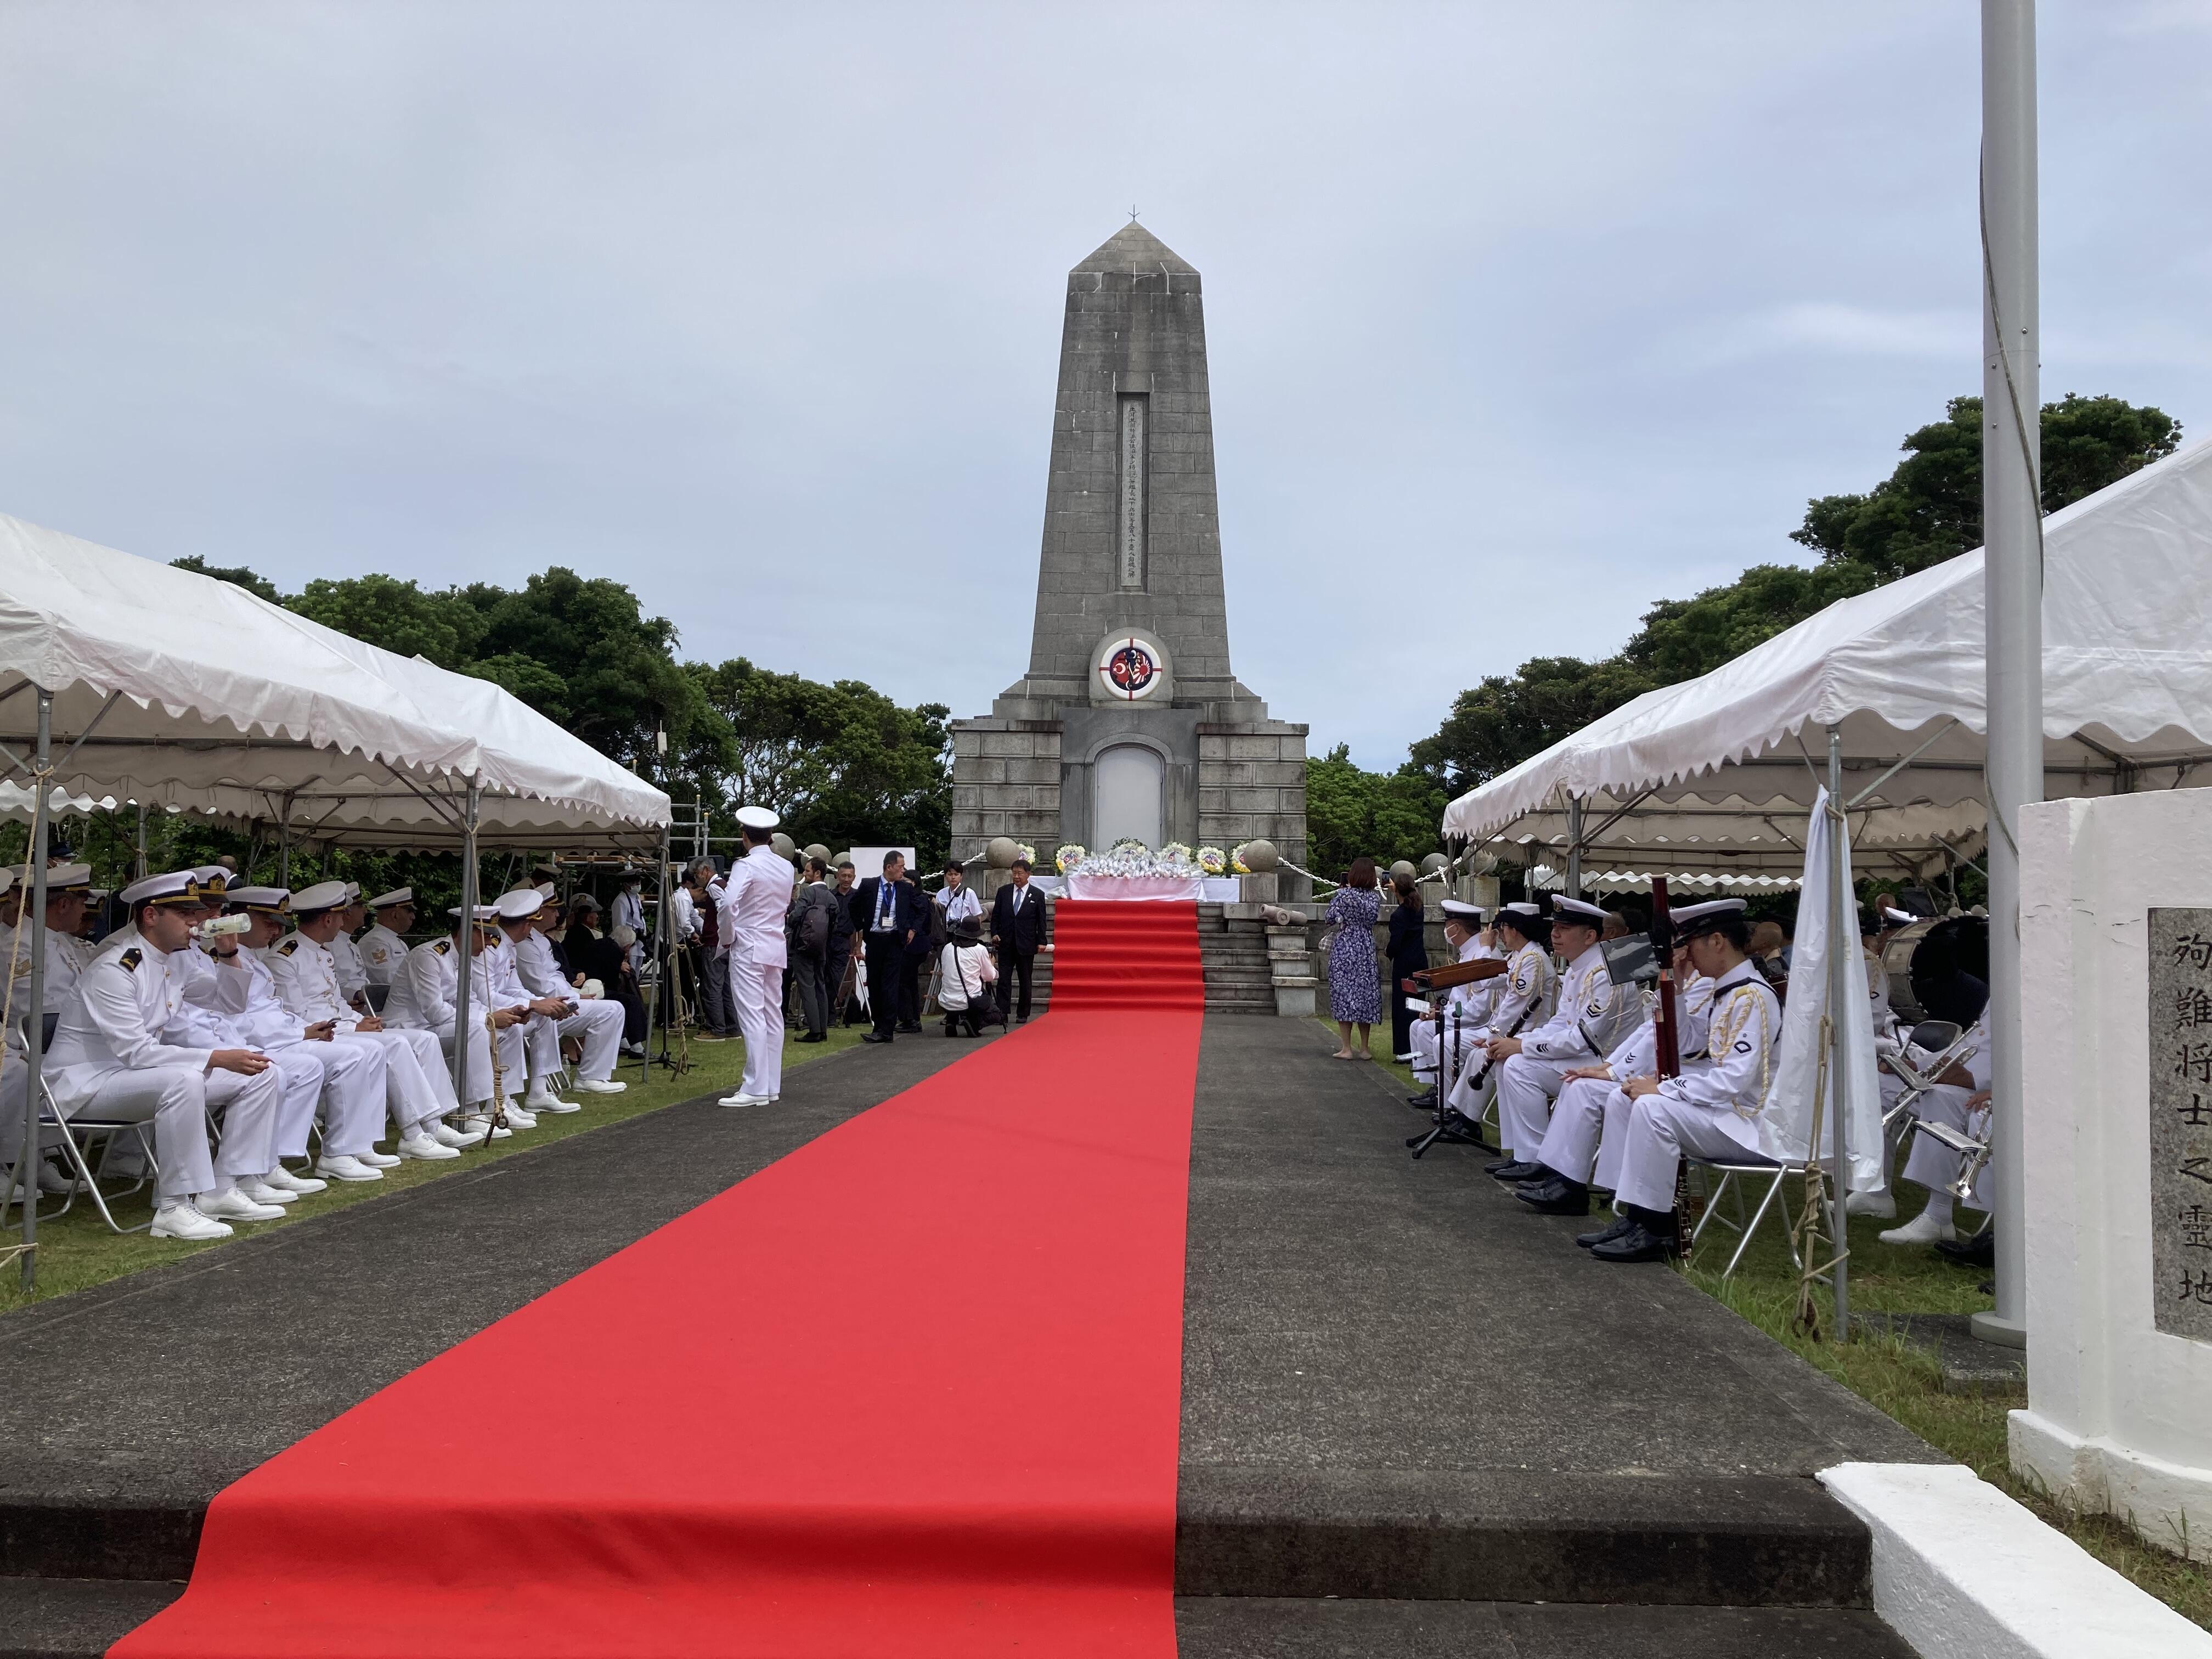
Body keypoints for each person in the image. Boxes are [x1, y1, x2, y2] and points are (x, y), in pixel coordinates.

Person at [43, 870, 289, 1242]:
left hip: (131, 1077)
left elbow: (230, 1002)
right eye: (185, 914)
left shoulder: (177, 960)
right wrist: (216, 1058)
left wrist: (229, 952)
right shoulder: (116, 968)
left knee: (262, 1072)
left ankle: (223, 1187)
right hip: (85, 1085)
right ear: (151, 916)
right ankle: (173, 1208)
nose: (196, 922)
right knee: (184, 1080)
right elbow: (136, 1052)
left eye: (195, 913)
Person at [1583, 898, 1785, 1263]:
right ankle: (1632, 1213)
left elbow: (1735, 1080)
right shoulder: (1728, 991)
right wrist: (1675, 988)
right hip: (1725, 1112)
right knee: (1624, 1098)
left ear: (1717, 941)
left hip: (1749, 1123)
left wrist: (1662, 1089)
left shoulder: (1751, 996)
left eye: (1690, 944)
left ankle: (1656, 1227)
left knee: (1653, 1108)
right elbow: (1686, 1041)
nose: (1686, 955)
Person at [1515, 918, 1724, 1220]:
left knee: (1600, 1092)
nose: (1670, 951)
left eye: (1678, 943)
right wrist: (1611, 1067)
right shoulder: (1687, 981)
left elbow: (1676, 1041)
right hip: (1658, 1068)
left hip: (1689, 1075)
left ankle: (1615, 1198)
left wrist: (1612, 1071)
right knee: (1581, 1086)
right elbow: (1650, 1030)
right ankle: (1569, 1180)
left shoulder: (1705, 984)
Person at [266, 881, 479, 1166]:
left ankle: (433, 1123)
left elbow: (335, 1003)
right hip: (319, 1036)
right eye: (340, 916)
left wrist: (360, 1020)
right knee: (395, 1044)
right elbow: (298, 1015)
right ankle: (413, 1134)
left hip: (340, 1028)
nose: (343, 922)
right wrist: (352, 1027)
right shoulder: (285, 957)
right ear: (328, 919)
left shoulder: (322, 951)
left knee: (424, 1039)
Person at [213, 885, 386, 1197]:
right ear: (242, 919)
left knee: (355, 1054)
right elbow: (244, 1021)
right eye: (268, 922)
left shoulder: (253, 959)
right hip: (256, 1044)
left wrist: (306, 1029)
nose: (276, 930)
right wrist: (302, 1032)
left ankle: (339, 1149)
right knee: (342, 1058)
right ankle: (305, 1157)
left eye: (277, 923)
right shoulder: (227, 960)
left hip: (278, 1037)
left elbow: (274, 1010)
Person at [1486, 896, 1647, 1183]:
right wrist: (1518, 1042)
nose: (1555, 934)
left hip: (1608, 1063)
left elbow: (1581, 1039)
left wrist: (1522, 1045)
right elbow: (1561, 1022)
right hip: (1589, 1055)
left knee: (1519, 1066)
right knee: (1509, 1060)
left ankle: (1537, 1159)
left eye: (1565, 929)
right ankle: (1525, 1154)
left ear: (1590, 936)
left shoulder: (1603, 973)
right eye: (1554, 927)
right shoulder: (1578, 968)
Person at [385, 902, 533, 1135]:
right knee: (475, 1030)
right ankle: (471, 1112)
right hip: (412, 1026)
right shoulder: (429, 956)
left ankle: (500, 1102)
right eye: (486, 936)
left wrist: (505, 1014)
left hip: (440, 1028)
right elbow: (434, 1011)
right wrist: (489, 1017)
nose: (489, 943)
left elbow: (470, 1001)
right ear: (467, 931)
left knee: (510, 1029)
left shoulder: (464, 958)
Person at [1440, 901, 1555, 1130]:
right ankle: (1463, 1116)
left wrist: (1493, 1038)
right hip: (1509, 1031)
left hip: (1526, 1033)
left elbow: (1515, 1007)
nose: (1499, 934)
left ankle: (1468, 1122)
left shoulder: (1532, 960)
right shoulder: (1518, 957)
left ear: (1515, 929)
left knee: (1482, 1055)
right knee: (1477, 1054)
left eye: (1502, 928)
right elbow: (1488, 981)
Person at [506, 888, 629, 1095]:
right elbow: (540, 986)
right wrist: (575, 997)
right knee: (611, 1010)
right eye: (553, 910)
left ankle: (592, 1076)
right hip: (544, 1005)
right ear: (539, 913)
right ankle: (586, 1078)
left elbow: (555, 976)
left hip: (555, 1001)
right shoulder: (525, 945)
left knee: (615, 1008)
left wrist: (575, 994)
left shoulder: (540, 940)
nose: (557, 914)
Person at [717, 805, 791, 1107]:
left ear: (744, 836)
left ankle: (756, 1087)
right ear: (771, 836)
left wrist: (727, 938)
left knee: (752, 1016)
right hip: (774, 944)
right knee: (772, 1014)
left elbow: (727, 904)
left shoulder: (745, 866)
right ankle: (770, 1085)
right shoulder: (786, 867)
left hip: (749, 945)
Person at [1406, 900, 1497, 1109]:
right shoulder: (1468, 953)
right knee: (1417, 1026)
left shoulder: (1482, 956)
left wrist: (1441, 1016)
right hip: (1463, 1017)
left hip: (1477, 1024)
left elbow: (1480, 1009)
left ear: (1457, 928)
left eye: (1447, 924)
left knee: (1428, 1030)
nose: (1445, 930)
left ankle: (1446, 1097)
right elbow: (1459, 999)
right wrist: (1439, 1010)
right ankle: (1436, 1086)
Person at [851, 852, 927, 1044]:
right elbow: (853, 905)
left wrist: (912, 929)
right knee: (874, 983)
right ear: (889, 867)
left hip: (894, 940)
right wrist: (861, 926)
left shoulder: (905, 889)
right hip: (875, 940)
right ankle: (878, 1027)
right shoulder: (869, 885)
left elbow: (922, 909)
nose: (903, 870)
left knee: (890, 985)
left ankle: (887, 1029)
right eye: (900, 867)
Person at [1325, 857, 1384, 1059]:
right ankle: (1365, 1048)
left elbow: (1329, 918)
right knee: (1365, 995)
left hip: (1346, 945)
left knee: (1344, 994)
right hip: (1366, 946)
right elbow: (1372, 919)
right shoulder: (1375, 898)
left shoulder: (1344, 895)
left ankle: (1347, 1048)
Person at [786, 856, 838, 1044]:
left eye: (807, 870)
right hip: (821, 947)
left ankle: (814, 1030)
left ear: (817, 873)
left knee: (807, 987)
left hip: (803, 946)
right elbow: (834, 924)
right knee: (820, 986)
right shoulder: (831, 897)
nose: (804, 874)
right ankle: (823, 1029)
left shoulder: (808, 893)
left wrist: (790, 918)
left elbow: (796, 917)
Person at [989, 856, 1047, 1025]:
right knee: (1004, 980)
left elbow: (1041, 920)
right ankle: (1003, 1012)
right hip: (1006, 943)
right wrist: (995, 933)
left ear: (1028, 874)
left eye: (1020, 873)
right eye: (1014, 873)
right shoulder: (1004, 892)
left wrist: (1042, 940)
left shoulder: (1037, 894)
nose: (1016, 877)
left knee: (1025, 980)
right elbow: (996, 916)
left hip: (1026, 943)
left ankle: (1023, 1013)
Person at [1385, 874, 1429, 1063]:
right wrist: (1397, 888)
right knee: (1418, 1005)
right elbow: (1407, 899)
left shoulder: (1398, 916)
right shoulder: (1419, 909)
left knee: (1402, 1007)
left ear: (1398, 890)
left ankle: (1404, 1049)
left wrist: (1388, 952)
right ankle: (1419, 1046)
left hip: (1404, 964)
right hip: (1420, 962)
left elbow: (1395, 943)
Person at [936, 914, 1000, 1037]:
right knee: (989, 1006)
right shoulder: (979, 949)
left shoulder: (947, 948)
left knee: (958, 988)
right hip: (969, 1001)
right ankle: (973, 1023)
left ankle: (951, 1021)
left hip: (946, 999)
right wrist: (991, 962)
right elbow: (989, 977)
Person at [359, 888, 415, 990]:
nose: (413, 917)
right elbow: (390, 979)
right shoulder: (374, 942)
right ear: (395, 915)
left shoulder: (397, 941)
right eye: (409, 912)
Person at [329, 884, 370, 1009]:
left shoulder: (352, 945)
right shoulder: (328, 944)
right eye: (360, 906)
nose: (365, 911)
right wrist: (354, 997)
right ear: (347, 912)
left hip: (365, 1004)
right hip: (349, 1007)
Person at [828, 859, 860, 1025]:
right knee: (825, 978)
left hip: (844, 941)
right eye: (844, 876)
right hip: (828, 941)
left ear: (854, 877)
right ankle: (826, 1015)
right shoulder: (830, 895)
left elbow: (861, 924)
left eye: (850, 876)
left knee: (837, 979)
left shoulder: (858, 897)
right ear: (838, 876)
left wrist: (858, 946)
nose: (846, 879)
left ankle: (833, 1014)